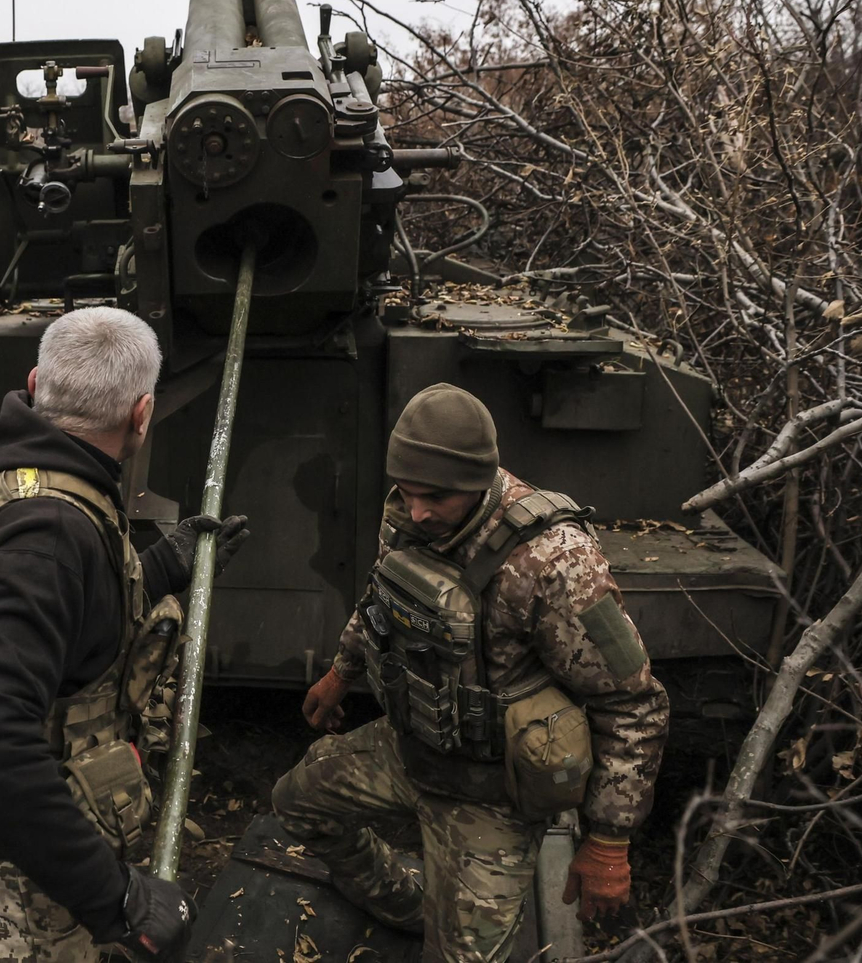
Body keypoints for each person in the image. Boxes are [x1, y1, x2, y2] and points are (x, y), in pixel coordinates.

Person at [271, 383, 670, 963]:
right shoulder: (412, 513)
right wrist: (343, 670)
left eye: (433, 497)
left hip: (494, 795)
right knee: (297, 802)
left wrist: (609, 841)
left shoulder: (554, 561)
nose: (417, 511)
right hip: (409, 750)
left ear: (480, 480)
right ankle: (403, 904)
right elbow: (382, 599)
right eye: (407, 493)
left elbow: (633, 704)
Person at [0, 307, 251, 963]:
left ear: (37, 384)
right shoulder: (50, 537)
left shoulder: (14, 471)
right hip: (15, 864)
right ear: (143, 414)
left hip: (5, 835)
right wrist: (117, 898)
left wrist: (157, 570)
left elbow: (59, 625)